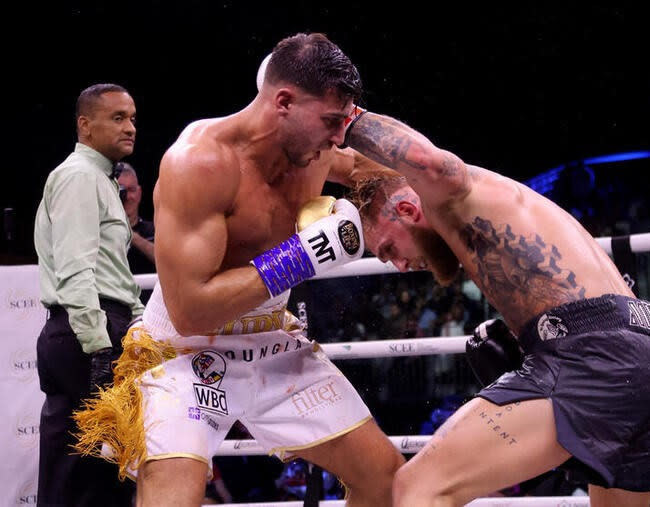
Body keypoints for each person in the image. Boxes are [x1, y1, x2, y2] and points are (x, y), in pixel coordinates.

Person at [74, 33, 404, 506]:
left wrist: (389, 215)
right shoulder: (200, 163)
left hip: (272, 342)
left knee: (388, 480)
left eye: (344, 122)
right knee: (172, 497)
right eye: (331, 121)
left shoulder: (316, 149)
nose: (338, 137)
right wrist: (303, 255)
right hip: (182, 353)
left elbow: (391, 173)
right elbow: (191, 310)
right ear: (284, 102)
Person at [344, 110, 650, 505]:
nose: (400, 266)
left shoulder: (451, 195)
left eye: (389, 250)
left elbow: (427, 162)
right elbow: (361, 167)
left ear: (406, 211)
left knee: (416, 488)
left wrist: (343, 118)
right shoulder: (501, 198)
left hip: (591, 356)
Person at [33, 83, 142, 506]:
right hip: (89, 331)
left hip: (88, 328)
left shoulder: (96, 178)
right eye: (118, 118)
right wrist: (99, 349)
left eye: (132, 118)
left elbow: (112, 271)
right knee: (97, 479)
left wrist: (137, 323)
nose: (130, 127)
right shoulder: (80, 178)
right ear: (85, 125)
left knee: (74, 475)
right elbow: (76, 269)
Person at [117, 161, 156, 304]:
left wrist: (132, 236)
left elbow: (171, 263)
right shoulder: (100, 234)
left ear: (139, 193)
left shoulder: (156, 230)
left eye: (131, 190)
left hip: (149, 311)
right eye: (122, 190)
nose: (127, 197)